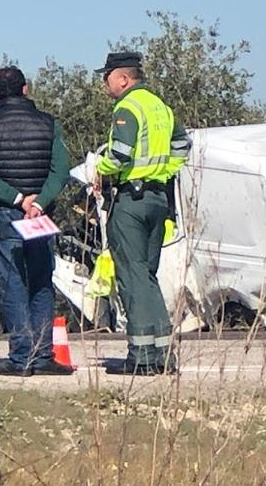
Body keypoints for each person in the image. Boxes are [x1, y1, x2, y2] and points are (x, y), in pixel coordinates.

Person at [0, 66, 73, 376]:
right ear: (26, 89)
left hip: (5, 212)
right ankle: (43, 355)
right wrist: (38, 201)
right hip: (41, 214)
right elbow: (61, 170)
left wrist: (17, 199)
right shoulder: (49, 124)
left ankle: (21, 356)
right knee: (41, 280)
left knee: (13, 281)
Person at [93, 51, 191, 375]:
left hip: (131, 200)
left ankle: (142, 357)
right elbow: (183, 145)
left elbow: (119, 155)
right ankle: (163, 354)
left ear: (122, 78)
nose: (104, 82)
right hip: (158, 198)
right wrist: (164, 171)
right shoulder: (160, 107)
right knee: (147, 276)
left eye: (106, 76)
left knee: (132, 277)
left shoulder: (127, 107)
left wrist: (100, 170)